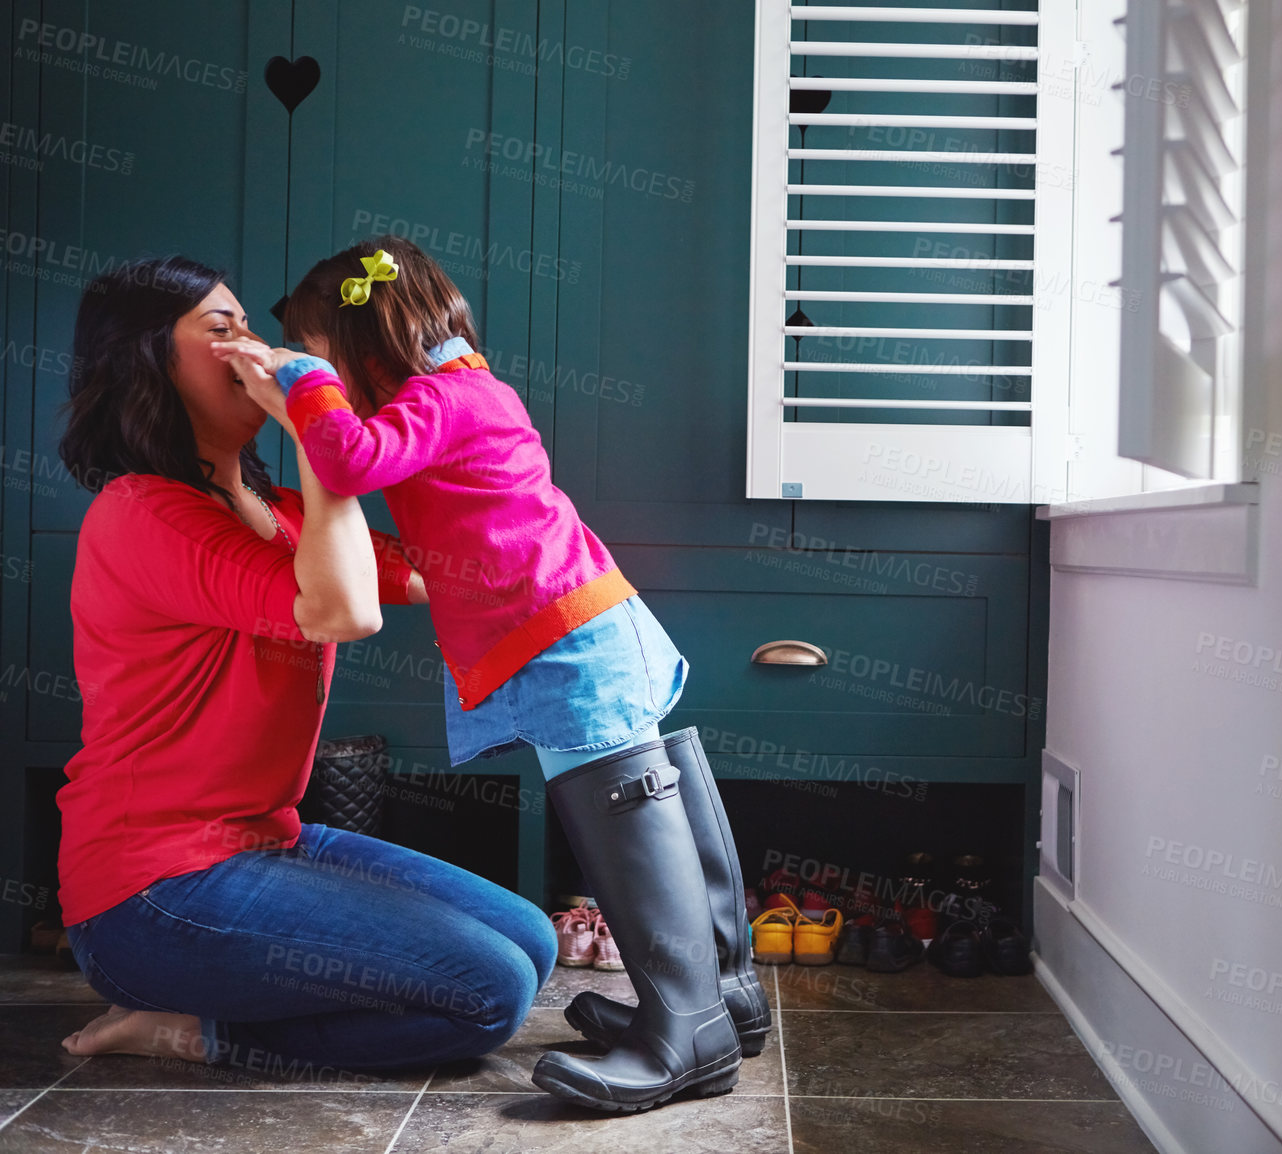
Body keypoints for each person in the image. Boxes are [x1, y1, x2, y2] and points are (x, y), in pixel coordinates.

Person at [215, 239, 767, 1113]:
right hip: (574, 630)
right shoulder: (460, 394)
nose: (323, 382)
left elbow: (349, 459)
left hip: (571, 640)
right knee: (654, 800)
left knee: (628, 816)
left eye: (325, 358)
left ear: (365, 345)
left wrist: (296, 383)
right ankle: (717, 998)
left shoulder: (450, 395)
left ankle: (687, 1032)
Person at [54, 256, 557, 1077]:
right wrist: (320, 440)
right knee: (489, 992)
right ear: (147, 360)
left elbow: (440, 570)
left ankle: (240, 992)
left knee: (532, 943)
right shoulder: (140, 514)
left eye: (252, 325)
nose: (258, 347)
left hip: (269, 841)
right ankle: (193, 1028)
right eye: (223, 331)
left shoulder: (280, 509)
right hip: (150, 893)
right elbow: (343, 609)